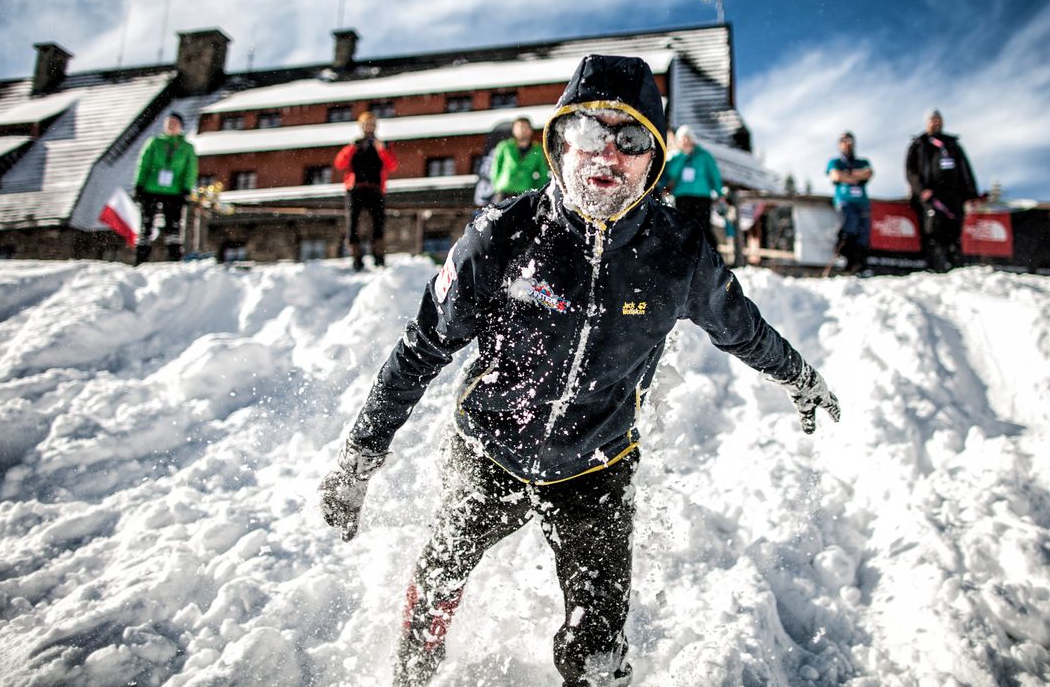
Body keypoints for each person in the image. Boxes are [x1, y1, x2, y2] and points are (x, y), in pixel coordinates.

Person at [318, 55, 840, 687]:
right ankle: (411, 674)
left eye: (629, 140)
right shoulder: (503, 236)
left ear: (653, 159)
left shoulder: (678, 252)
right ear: (559, 142)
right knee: (439, 575)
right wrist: (360, 454)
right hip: (490, 446)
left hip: (598, 467)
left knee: (596, 651)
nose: (606, 156)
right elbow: (422, 346)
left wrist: (798, 377)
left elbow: (743, 329)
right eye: (590, 132)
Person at [905, 109, 979, 272]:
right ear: (927, 123)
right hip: (931, 196)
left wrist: (971, 194)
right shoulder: (919, 144)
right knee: (934, 230)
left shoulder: (952, 144)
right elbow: (910, 171)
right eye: (932, 119)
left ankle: (956, 268)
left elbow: (965, 169)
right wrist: (921, 190)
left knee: (954, 231)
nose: (935, 122)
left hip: (954, 195)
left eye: (938, 119)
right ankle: (935, 267)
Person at [334, 112, 399, 270]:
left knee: (378, 224)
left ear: (375, 126)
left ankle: (379, 258)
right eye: (366, 124)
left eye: (371, 124)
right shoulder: (354, 145)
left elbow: (393, 166)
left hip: (375, 189)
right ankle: (356, 259)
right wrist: (352, 148)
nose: (368, 127)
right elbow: (339, 164)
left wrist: (382, 149)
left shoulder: (383, 145)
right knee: (352, 224)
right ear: (361, 126)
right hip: (355, 189)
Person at [133, 113, 197, 264]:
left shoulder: (187, 148)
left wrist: (186, 189)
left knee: (173, 225)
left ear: (180, 126)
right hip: (152, 188)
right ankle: (141, 257)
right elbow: (144, 164)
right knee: (147, 222)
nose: (171, 125)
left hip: (174, 191)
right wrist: (139, 185)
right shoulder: (154, 143)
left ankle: (174, 257)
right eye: (168, 122)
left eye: (174, 123)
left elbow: (190, 170)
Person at [660, 125, 725, 251]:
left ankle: (710, 254)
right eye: (682, 139)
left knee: (703, 226)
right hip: (682, 195)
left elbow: (714, 174)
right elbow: (670, 174)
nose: (685, 141)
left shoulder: (704, 156)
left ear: (693, 139)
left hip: (702, 195)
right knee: (684, 226)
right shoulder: (675, 157)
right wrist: (684, 156)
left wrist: (719, 192)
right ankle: (687, 254)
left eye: (688, 138)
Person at [827, 131, 874, 274]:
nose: (847, 144)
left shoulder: (863, 161)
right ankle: (843, 257)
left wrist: (846, 176)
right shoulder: (835, 162)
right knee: (850, 224)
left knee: (864, 232)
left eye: (850, 141)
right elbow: (835, 175)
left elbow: (869, 173)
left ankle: (859, 264)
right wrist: (855, 176)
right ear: (839, 144)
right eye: (843, 141)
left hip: (862, 202)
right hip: (845, 201)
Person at [489, 115, 550, 202]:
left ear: (530, 130)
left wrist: (536, 189)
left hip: (525, 192)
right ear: (513, 130)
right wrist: (497, 186)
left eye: (525, 127)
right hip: (504, 191)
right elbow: (495, 168)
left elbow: (543, 172)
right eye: (519, 127)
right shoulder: (504, 146)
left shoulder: (537, 149)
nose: (522, 130)